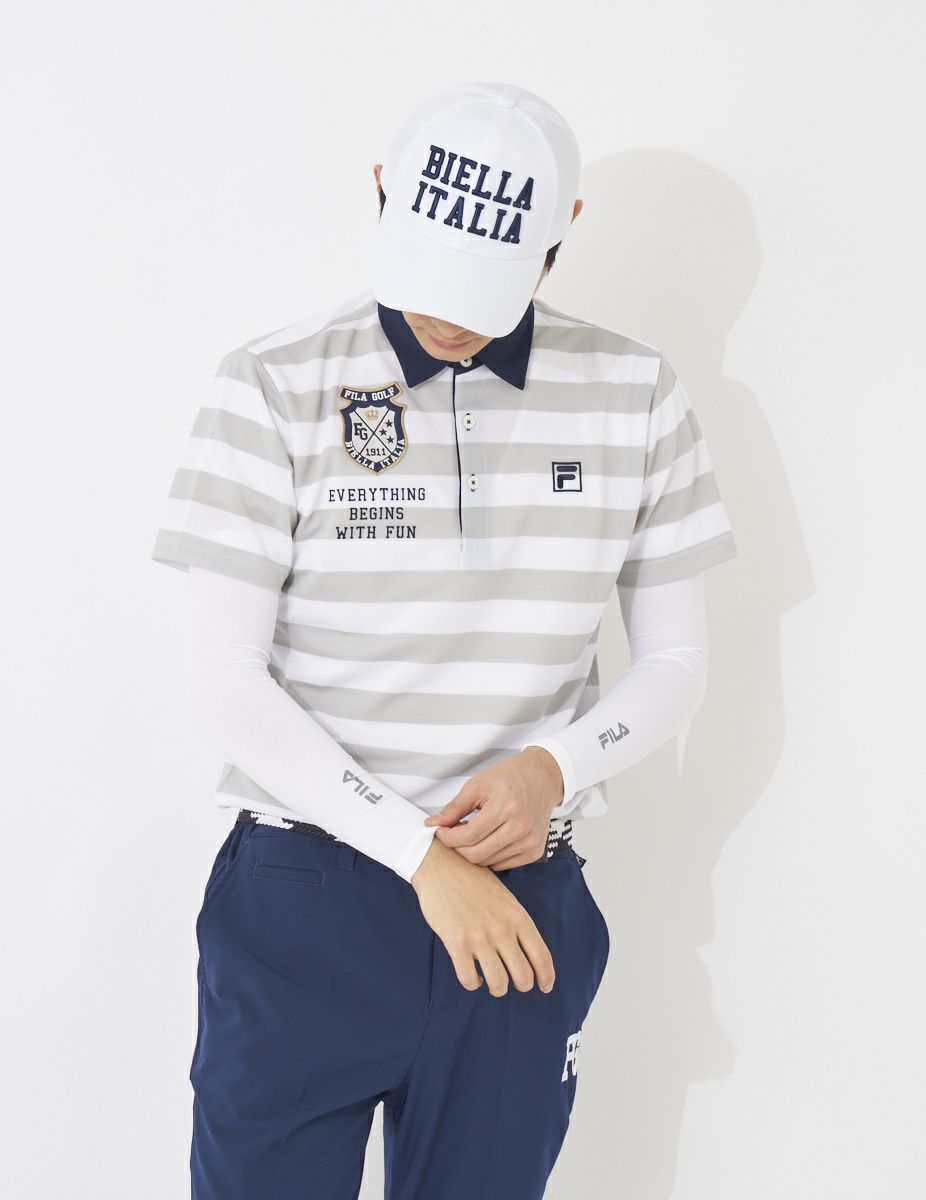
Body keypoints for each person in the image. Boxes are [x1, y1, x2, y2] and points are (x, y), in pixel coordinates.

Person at [151, 80, 738, 1200]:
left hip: (520, 900)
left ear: (564, 230)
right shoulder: (272, 382)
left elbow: (674, 664)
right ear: (381, 192)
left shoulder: (635, 392)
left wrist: (554, 765)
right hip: (306, 896)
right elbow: (224, 680)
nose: (449, 317)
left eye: (486, 283)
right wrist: (419, 859)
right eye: (427, 271)